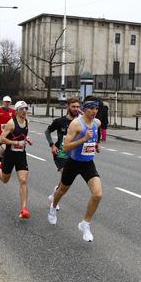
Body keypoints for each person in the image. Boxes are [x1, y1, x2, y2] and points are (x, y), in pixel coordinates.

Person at [48, 96, 102, 242]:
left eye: (96, 108)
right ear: (84, 109)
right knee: (61, 191)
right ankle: (53, 207)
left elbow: (95, 138)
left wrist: (95, 145)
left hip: (88, 163)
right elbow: (65, 147)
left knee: (97, 194)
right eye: (91, 108)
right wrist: (83, 140)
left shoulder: (97, 123)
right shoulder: (76, 124)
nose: (94, 111)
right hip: (73, 162)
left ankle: (85, 224)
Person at [0, 100, 33, 219]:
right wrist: (16, 142)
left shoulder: (27, 121)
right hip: (9, 155)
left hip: (21, 155)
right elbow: (1, 139)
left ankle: (24, 208)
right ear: (16, 111)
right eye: (22, 109)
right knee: (5, 180)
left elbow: (23, 134)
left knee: (23, 180)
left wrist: (27, 139)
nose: (24, 111)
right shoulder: (11, 123)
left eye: (26, 108)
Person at [45, 97, 81, 209]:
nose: (76, 109)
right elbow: (47, 131)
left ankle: (55, 193)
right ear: (68, 107)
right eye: (73, 106)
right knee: (65, 174)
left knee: (65, 179)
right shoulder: (60, 121)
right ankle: (55, 202)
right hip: (60, 153)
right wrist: (52, 145)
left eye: (78, 106)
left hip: (74, 155)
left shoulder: (80, 122)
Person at [0, 95, 16, 162]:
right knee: (4, 147)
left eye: (8, 102)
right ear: (3, 102)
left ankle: (2, 159)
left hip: (9, 133)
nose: (7, 103)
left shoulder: (13, 111)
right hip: (0, 133)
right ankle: (0, 159)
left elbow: (16, 121)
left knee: (9, 149)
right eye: (6, 102)